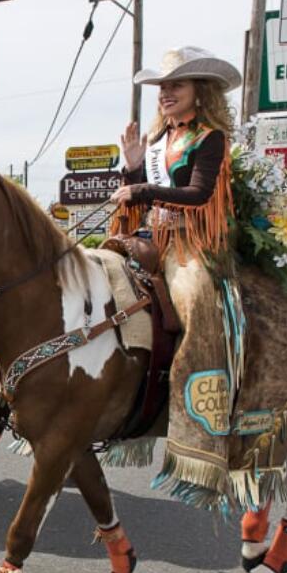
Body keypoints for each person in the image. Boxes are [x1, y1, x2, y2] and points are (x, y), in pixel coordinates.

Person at [108, 46, 244, 507]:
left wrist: (141, 184)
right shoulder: (157, 141)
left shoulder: (211, 137)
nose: (165, 94)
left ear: (199, 92)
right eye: (162, 87)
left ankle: (199, 416)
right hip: (152, 239)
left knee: (195, 302)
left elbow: (200, 193)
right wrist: (132, 165)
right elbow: (142, 200)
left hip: (192, 245)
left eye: (175, 86)